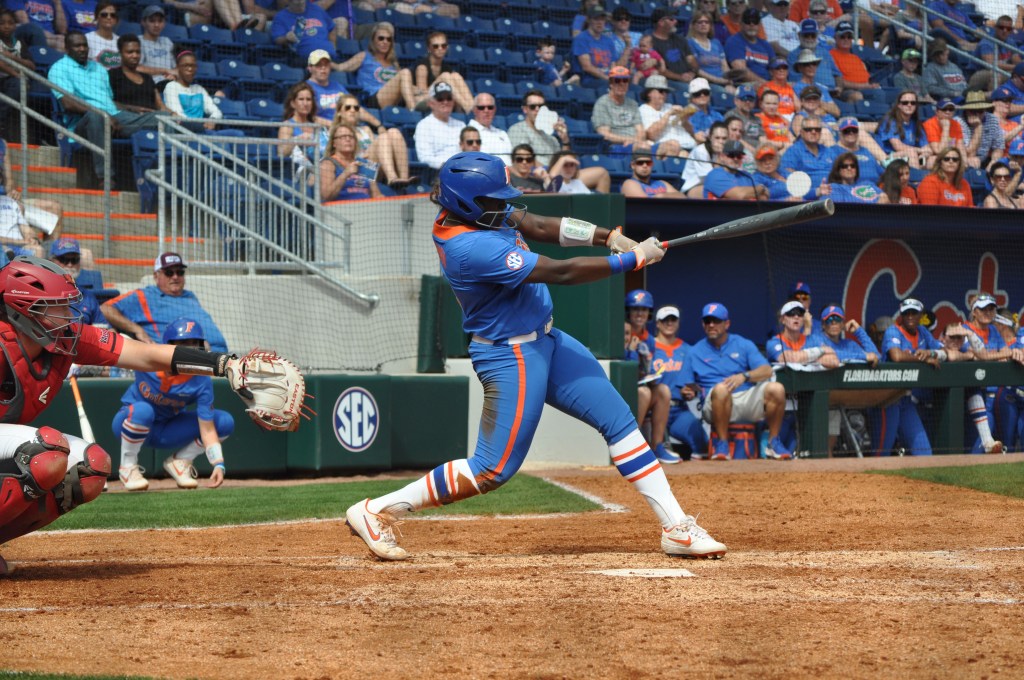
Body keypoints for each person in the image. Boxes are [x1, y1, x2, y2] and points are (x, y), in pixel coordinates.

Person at [344, 151, 728, 561]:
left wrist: (607, 236)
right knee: (492, 470)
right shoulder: (469, 246)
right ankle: (374, 511)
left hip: (547, 340)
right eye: (495, 199)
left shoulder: (480, 212)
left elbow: (543, 225)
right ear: (467, 203)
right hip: (512, 356)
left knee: (619, 421)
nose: (505, 205)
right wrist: (631, 259)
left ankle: (676, 526)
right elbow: (559, 271)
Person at [0, 255, 290, 576]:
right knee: (47, 451)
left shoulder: (68, 340)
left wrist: (224, 364)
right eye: (56, 307)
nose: (70, 315)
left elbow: (148, 354)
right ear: (24, 310)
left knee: (91, 469)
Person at [112, 318, 236, 491]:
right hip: (129, 422)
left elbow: (207, 429)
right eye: (184, 343)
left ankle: (181, 461)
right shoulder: (149, 358)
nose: (190, 349)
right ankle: (127, 467)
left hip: (166, 430)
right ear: (168, 345)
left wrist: (218, 464)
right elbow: (116, 351)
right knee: (143, 410)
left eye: (195, 343)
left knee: (224, 421)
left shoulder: (201, 380)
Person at [678, 301, 794, 461]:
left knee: (777, 389)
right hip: (714, 404)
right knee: (721, 389)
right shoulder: (694, 351)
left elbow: (766, 370)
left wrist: (744, 376)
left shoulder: (742, 344)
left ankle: (773, 443)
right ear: (703, 324)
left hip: (745, 398)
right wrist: (687, 392)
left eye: (716, 321)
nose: (711, 325)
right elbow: (685, 388)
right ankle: (722, 444)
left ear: (727, 324)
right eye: (707, 321)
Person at [48, 31, 162, 186]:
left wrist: (132, 108)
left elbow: (108, 101)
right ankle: (105, 177)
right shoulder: (59, 68)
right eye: (77, 46)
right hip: (84, 123)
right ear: (67, 48)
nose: (82, 49)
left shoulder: (98, 68)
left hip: (116, 116)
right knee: (97, 117)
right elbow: (68, 103)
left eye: (84, 45)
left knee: (161, 118)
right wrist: (103, 115)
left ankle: (161, 177)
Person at [100, 252, 228, 352]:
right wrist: (137, 329)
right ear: (156, 276)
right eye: (169, 272)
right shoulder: (145, 295)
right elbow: (105, 309)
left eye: (180, 272)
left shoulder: (190, 296)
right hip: (184, 360)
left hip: (219, 355)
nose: (175, 277)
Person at [870, 297, 946, 456]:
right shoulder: (893, 330)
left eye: (914, 313)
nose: (910, 316)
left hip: (905, 399)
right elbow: (897, 356)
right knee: (881, 453)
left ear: (921, 315)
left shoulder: (923, 332)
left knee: (924, 452)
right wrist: (923, 359)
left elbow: (943, 351)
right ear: (901, 315)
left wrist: (932, 353)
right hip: (887, 398)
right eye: (906, 313)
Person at [959, 293, 1024, 454]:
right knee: (975, 443)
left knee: (992, 440)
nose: (987, 312)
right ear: (974, 312)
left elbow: (1005, 351)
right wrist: (1003, 354)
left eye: (991, 309)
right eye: (983, 309)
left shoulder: (994, 331)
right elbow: (979, 356)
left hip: (991, 397)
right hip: (968, 396)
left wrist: (1006, 353)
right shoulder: (964, 329)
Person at [624, 289, 676, 464]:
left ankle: (657, 446)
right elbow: (621, 366)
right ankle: (633, 446)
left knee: (663, 390)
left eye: (644, 309)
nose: (640, 313)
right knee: (644, 392)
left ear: (649, 313)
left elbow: (645, 368)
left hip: (639, 384)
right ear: (628, 311)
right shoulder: (622, 331)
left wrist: (652, 376)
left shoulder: (650, 340)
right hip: (621, 388)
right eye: (635, 309)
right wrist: (630, 352)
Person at [653, 305, 707, 460]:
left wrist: (692, 391)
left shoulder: (688, 350)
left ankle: (702, 479)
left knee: (700, 439)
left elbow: (696, 381)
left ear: (678, 323)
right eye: (665, 320)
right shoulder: (650, 346)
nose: (669, 323)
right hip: (654, 410)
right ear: (657, 323)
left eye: (673, 320)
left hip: (678, 409)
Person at [334, 93, 414, 188]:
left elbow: (376, 151)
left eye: (356, 108)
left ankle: (404, 179)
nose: (352, 110)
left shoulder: (366, 130)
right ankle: (392, 178)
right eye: (348, 107)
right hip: (355, 171)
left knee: (394, 132)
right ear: (339, 112)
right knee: (383, 137)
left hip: (374, 169)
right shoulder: (335, 132)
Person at [335, 22, 415, 110]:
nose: (385, 42)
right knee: (405, 72)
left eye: (388, 39)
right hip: (373, 98)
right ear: (373, 40)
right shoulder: (364, 56)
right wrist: (328, 63)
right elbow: (340, 67)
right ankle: (413, 110)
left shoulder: (393, 63)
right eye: (381, 38)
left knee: (423, 98)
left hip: (393, 100)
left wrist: (422, 92)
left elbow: (406, 85)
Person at [591, 66, 656, 158]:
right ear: (611, 84)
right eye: (617, 81)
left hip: (637, 143)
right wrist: (630, 140)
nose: (622, 84)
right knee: (644, 148)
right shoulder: (602, 103)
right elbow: (605, 134)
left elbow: (641, 131)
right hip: (616, 147)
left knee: (672, 146)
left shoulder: (633, 103)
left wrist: (635, 141)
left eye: (625, 81)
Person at [412, 32, 473, 113]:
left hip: (441, 99)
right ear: (429, 48)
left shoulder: (447, 67)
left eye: (443, 46)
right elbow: (422, 94)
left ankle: (472, 107)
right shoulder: (422, 67)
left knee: (456, 76)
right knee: (445, 76)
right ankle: (468, 109)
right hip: (422, 102)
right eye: (435, 46)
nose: (440, 48)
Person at [766, 300, 840, 367]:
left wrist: (804, 359)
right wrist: (820, 351)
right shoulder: (774, 342)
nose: (796, 317)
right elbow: (789, 358)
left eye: (800, 314)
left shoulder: (812, 339)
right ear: (782, 320)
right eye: (791, 313)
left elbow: (834, 360)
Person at [319, 121, 382, 201]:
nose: (348, 139)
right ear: (334, 143)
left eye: (351, 137)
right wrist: (346, 174)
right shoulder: (327, 163)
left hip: (367, 209)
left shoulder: (364, 164)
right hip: (339, 210)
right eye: (343, 136)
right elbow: (326, 196)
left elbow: (377, 195)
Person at [162, 51, 222, 131]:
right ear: (177, 68)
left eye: (193, 66)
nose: (190, 69)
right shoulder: (171, 87)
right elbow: (178, 115)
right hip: (182, 132)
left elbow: (216, 111)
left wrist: (212, 120)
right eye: (185, 65)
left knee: (236, 133)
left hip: (202, 130)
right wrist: (198, 126)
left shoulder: (199, 89)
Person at [108, 34, 167, 115]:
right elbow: (107, 102)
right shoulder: (112, 75)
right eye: (130, 52)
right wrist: (131, 108)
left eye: (138, 52)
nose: (135, 55)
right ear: (120, 54)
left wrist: (173, 115)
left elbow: (160, 105)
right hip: (127, 119)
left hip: (152, 118)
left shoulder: (147, 78)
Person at [48, 238, 101, 325]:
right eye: (63, 259)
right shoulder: (41, 292)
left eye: (74, 260)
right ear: (51, 261)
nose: (70, 264)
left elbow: (105, 329)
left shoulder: (88, 296)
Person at [638, 74, 693, 157]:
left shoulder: (669, 106)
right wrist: (668, 114)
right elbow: (651, 135)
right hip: (667, 148)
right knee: (682, 153)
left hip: (688, 145)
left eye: (666, 92)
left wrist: (685, 120)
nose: (664, 94)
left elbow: (691, 132)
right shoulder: (643, 110)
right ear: (649, 93)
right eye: (661, 91)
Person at [573, 5, 628, 87]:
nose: (600, 22)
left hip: (608, 79)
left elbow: (613, 65)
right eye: (596, 19)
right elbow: (587, 67)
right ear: (588, 20)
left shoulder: (608, 41)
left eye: (602, 19)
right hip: (590, 80)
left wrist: (614, 78)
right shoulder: (581, 38)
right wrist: (608, 79)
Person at [413, 81, 462, 172]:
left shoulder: (461, 125)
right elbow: (424, 158)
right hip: (437, 173)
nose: (445, 102)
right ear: (431, 103)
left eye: (449, 98)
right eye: (440, 99)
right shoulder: (424, 125)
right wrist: (448, 165)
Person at [876, 90, 932, 169]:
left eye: (913, 103)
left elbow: (927, 147)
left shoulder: (916, 123)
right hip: (890, 158)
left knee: (934, 160)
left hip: (913, 156)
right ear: (899, 105)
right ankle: (915, 180)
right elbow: (898, 147)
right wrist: (919, 151)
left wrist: (924, 155)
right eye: (905, 103)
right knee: (911, 153)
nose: (909, 105)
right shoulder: (890, 121)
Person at [270, 0, 338, 63]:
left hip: (330, 57)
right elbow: (277, 39)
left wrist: (333, 45)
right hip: (305, 60)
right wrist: (287, 37)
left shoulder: (317, 9)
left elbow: (332, 27)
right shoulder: (281, 17)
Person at [647, 7, 697, 91]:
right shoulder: (649, 42)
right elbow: (659, 69)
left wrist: (692, 72)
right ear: (661, 22)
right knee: (687, 89)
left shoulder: (680, 39)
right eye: (671, 19)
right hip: (667, 81)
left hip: (689, 79)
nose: (675, 21)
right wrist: (680, 77)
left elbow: (691, 60)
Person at [829, 20, 879, 102]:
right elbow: (840, 82)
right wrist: (864, 86)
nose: (846, 39)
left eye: (849, 37)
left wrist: (872, 85)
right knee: (857, 96)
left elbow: (866, 78)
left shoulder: (856, 58)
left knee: (881, 93)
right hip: (846, 91)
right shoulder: (831, 55)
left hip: (866, 88)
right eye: (842, 37)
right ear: (835, 38)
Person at [786, 19, 840, 94]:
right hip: (809, 93)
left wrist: (840, 88)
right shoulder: (793, 55)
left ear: (817, 35)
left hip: (832, 92)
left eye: (813, 35)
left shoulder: (825, 52)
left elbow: (837, 75)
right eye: (806, 35)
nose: (810, 39)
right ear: (799, 35)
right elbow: (795, 81)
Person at [781, 113, 835, 187]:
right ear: (801, 133)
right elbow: (786, 172)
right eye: (808, 129)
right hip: (809, 191)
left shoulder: (828, 151)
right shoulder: (793, 151)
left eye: (817, 129)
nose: (813, 132)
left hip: (834, 189)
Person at [704, 139, 769, 199]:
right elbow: (740, 195)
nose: (735, 159)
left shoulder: (746, 175)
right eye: (731, 155)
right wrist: (760, 189)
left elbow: (765, 196)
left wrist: (760, 189)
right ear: (722, 156)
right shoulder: (715, 175)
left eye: (739, 156)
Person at [724, 8, 774, 86]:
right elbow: (741, 71)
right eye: (748, 21)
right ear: (741, 24)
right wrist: (766, 84)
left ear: (759, 25)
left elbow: (775, 67)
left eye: (755, 21)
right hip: (746, 85)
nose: (752, 24)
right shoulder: (734, 41)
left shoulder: (765, 44)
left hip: (767, 83)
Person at [956, 91, 1004, 170]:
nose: (977, 115)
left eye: (980, 111)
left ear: (985, 109)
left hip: (985, 161)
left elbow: (998, 147)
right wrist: (978, 127)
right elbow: (968, 152)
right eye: (973, 111)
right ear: (967, 110)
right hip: (963, 160)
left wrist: (994, 161)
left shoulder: (993, 119)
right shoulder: (958, 122)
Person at [686, 10, 731, 92]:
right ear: (693, 25)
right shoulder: (690, 43)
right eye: (700, 22)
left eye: (706, 22)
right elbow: (697, 70)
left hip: (723, 80)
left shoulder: (716, 43)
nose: (703, 24)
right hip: (706, 83)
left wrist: (728, 80)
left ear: (710, 26)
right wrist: (718, 80)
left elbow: (724, 66)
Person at [681, 120, 728, 196]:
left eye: (724, 138)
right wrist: (720, 157)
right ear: (710, 137)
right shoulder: (700, 151)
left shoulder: (727, 153)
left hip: (713, 187)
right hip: (692, 188)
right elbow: (711, 178)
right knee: (722, 191)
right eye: (717, 138)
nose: (721, 141)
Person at [822, 151, 889, 203]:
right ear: (838, 170)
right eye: (845, 166)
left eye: (853, 166)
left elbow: (884, 198)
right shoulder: (834, 187)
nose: (849, 168)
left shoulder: (868, 184)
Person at [468, 93, 512, 166]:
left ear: (495, 109)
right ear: (474, 110)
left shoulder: (502, 133)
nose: (486, 111)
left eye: (490, 107)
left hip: (509, 174)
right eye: (481, 107)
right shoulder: (467, 133)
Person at [306, 49, 350, 121]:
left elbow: (354, 106)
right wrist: (334, 126)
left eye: (326, 65)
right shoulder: (305, 88)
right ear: (309, 68)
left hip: (342, 126)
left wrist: (375, 124)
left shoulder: (338, 86)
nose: (323, 68)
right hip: (319, 129)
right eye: (318, 65)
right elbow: (308, 117)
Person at [137, 5, 177, 84]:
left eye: (160, 21)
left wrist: (174, 75)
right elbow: (137, 68)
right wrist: (165, 71)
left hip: (170, 83)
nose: (156, 25)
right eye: (152, 21)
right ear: (143, 22)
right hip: (149, 85)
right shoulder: (138, 41)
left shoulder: (167, 42)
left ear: (164, 23)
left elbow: (176, 67)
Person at [724, 84, 765, 150]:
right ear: (736, 101)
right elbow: (735, 139)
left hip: (758, 150)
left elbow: (762, 138)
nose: (748, 102)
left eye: (750, 99)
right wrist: (754, 152)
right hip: (739, 149)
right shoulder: (731, 116)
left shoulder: (757, 119)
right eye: (744, 98)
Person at [686, 77, 724, 143]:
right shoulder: (688, 115)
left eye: (705, 92)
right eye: (697, 94)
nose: (702, 95)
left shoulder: (717, 115)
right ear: (691, 97)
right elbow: (697, 137)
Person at [759, 58, 798, 122]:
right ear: (771, 72)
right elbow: (767, 110)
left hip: (792, 118)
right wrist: (785, 120)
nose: (781, 70)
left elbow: (798, 108)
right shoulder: (766, 87)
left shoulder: (790, 88)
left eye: (784, 68)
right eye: (778, 68)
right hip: (774, 119)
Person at [86, 0, 119, 69]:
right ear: (97, 17)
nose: (109, 17)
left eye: (112, 15)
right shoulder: (87, 38)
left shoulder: (120, 41)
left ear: (116, 20)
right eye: (104, 15)